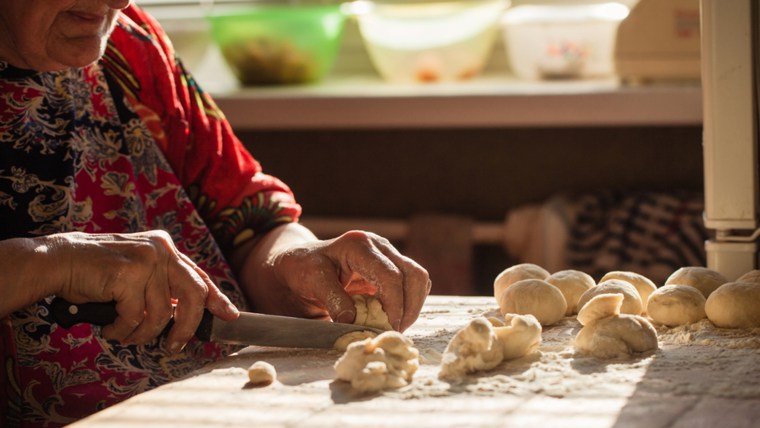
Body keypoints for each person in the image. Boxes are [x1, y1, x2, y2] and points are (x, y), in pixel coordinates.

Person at [0, 0, 431, 426]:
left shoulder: (128, 42)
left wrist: (294, 260)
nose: (119, 1)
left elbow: (250, 219)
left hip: (226, 404)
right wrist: (52, 261)